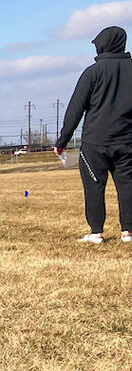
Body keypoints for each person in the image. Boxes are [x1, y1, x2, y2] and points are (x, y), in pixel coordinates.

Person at [55, 26, 132, 244]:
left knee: (94, 186)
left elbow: (75, 110)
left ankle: (96, 232)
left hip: (94, 144)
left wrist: (62, 141)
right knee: (128, 184)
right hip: (127, 141)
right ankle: (128, 232)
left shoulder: (92, 73)